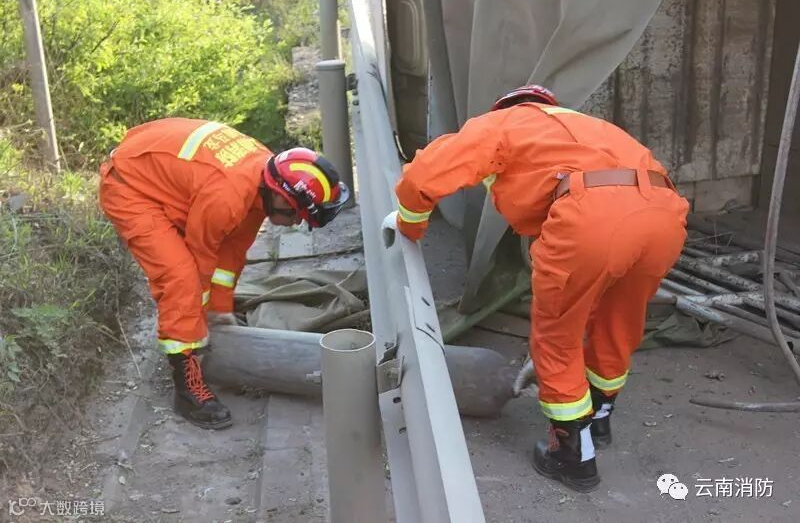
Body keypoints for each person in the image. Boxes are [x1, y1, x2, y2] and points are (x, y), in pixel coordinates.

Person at [386, 85, 689, 492]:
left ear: (509, 107)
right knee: (620, 320)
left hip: (593, 216)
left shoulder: (505, 123)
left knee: (557, 334)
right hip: (664, 214)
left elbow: (426, 173)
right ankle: (599, 419)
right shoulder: (588, 128)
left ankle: (573, 455)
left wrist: (409, 226)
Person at [99, 118, 349, 430]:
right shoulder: (227, 197)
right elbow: (201, 260)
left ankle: (194, 334)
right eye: (297, 215)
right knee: (181, 278)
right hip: (129, 186)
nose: (297, 223)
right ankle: (187, 385)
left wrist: (219, 312)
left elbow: (230, 253)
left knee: (201, 276)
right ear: (282, 197)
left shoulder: (263, 177)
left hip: (153, 169)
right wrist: (197, 326)